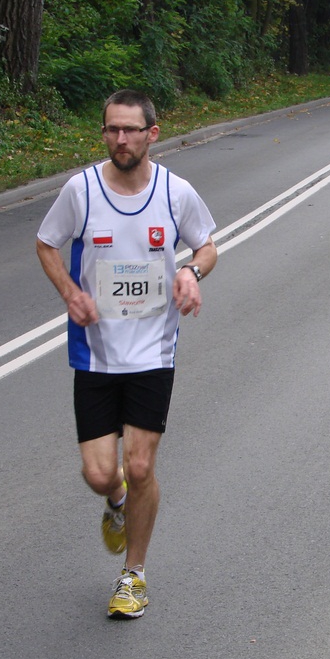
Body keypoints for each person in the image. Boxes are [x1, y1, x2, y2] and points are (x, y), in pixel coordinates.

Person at [36, 89, 218, 620]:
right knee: (101, 475)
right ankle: (114, 503)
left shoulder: (175, 192)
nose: (120, 139)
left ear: (151, 134)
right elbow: (47, 244)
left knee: (140, 466)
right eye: (111, 129)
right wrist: (70, 292)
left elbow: (206, 244)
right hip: (94, 355)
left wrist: (190, 271)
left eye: (130, 130)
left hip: (153, 353)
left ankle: (133, 575)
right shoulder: (81, 190)